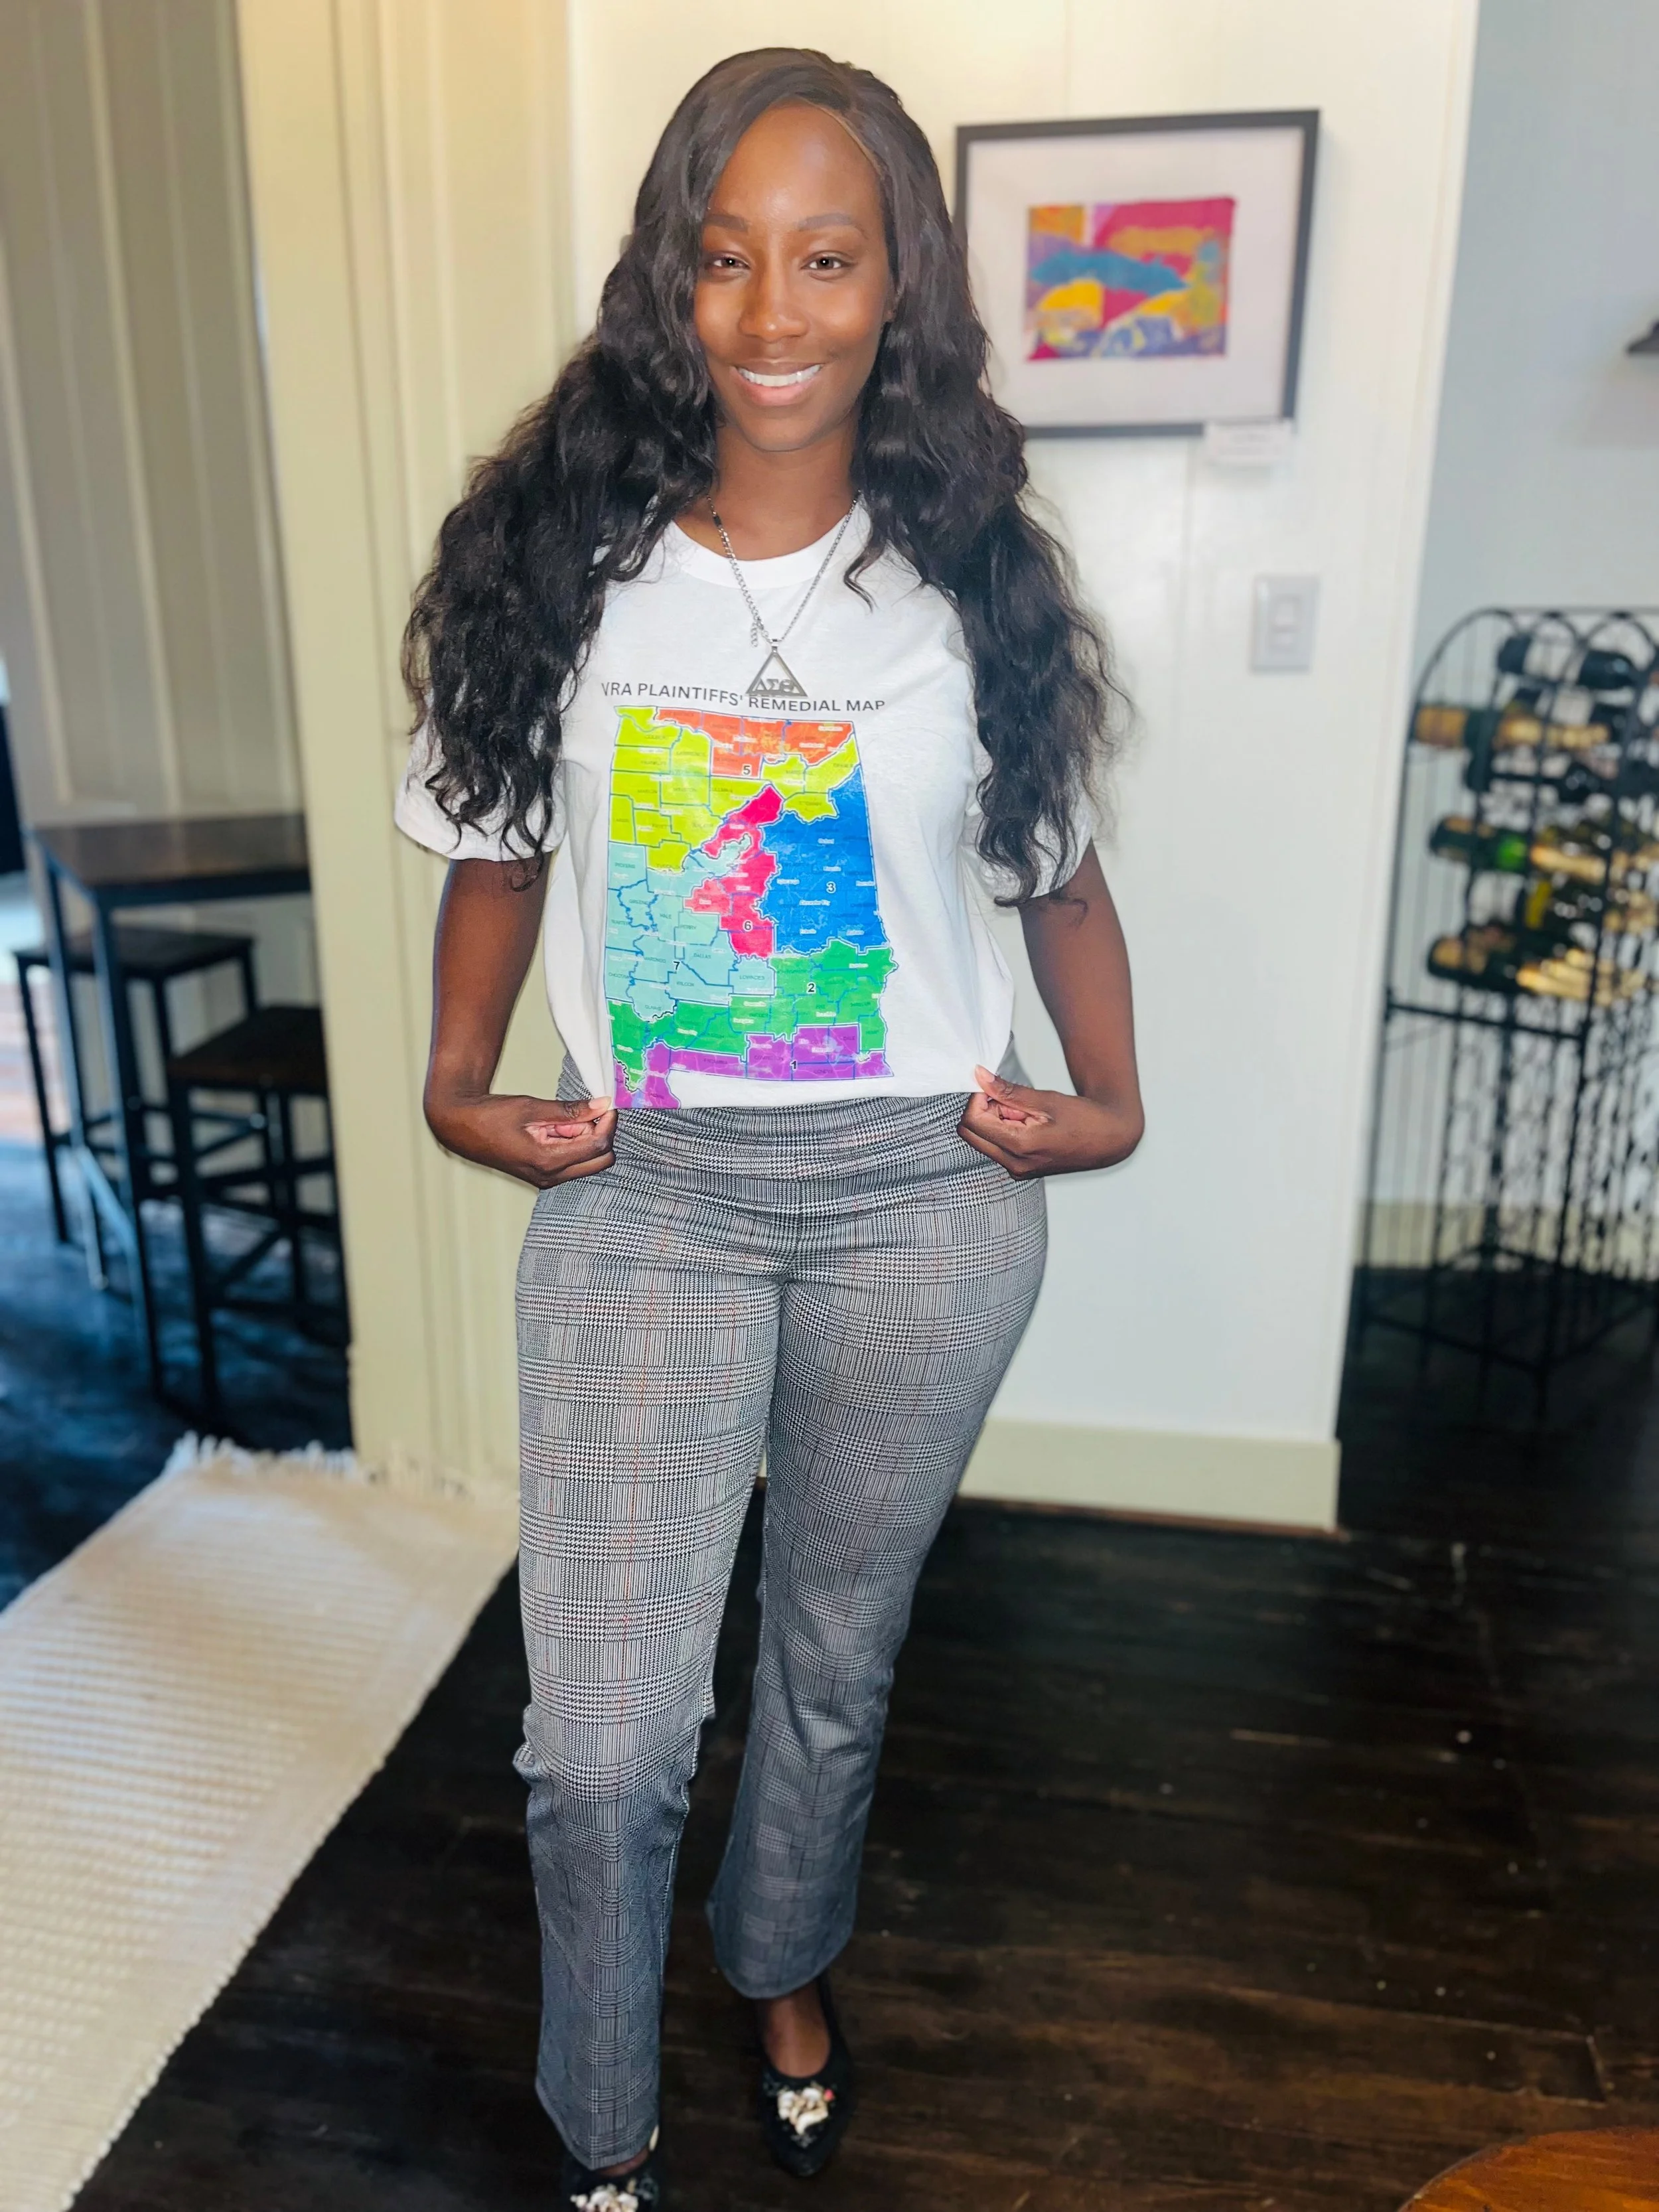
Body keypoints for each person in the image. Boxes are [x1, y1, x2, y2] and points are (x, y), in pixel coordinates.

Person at [396, 46, 1143, 2211]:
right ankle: (604, 2127)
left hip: (924, 1194)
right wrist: (459, 1076)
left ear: (895, 281)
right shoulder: (562, 557)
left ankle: (781, 1962)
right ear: (670, 279)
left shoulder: (967, 578)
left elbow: (1057, 876)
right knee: (598, 1740)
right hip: (649, 1188)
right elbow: (496, 845)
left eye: (826, 258)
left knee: (825, 1667)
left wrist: (1106, 1104)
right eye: (725, 259)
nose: (773, 311)